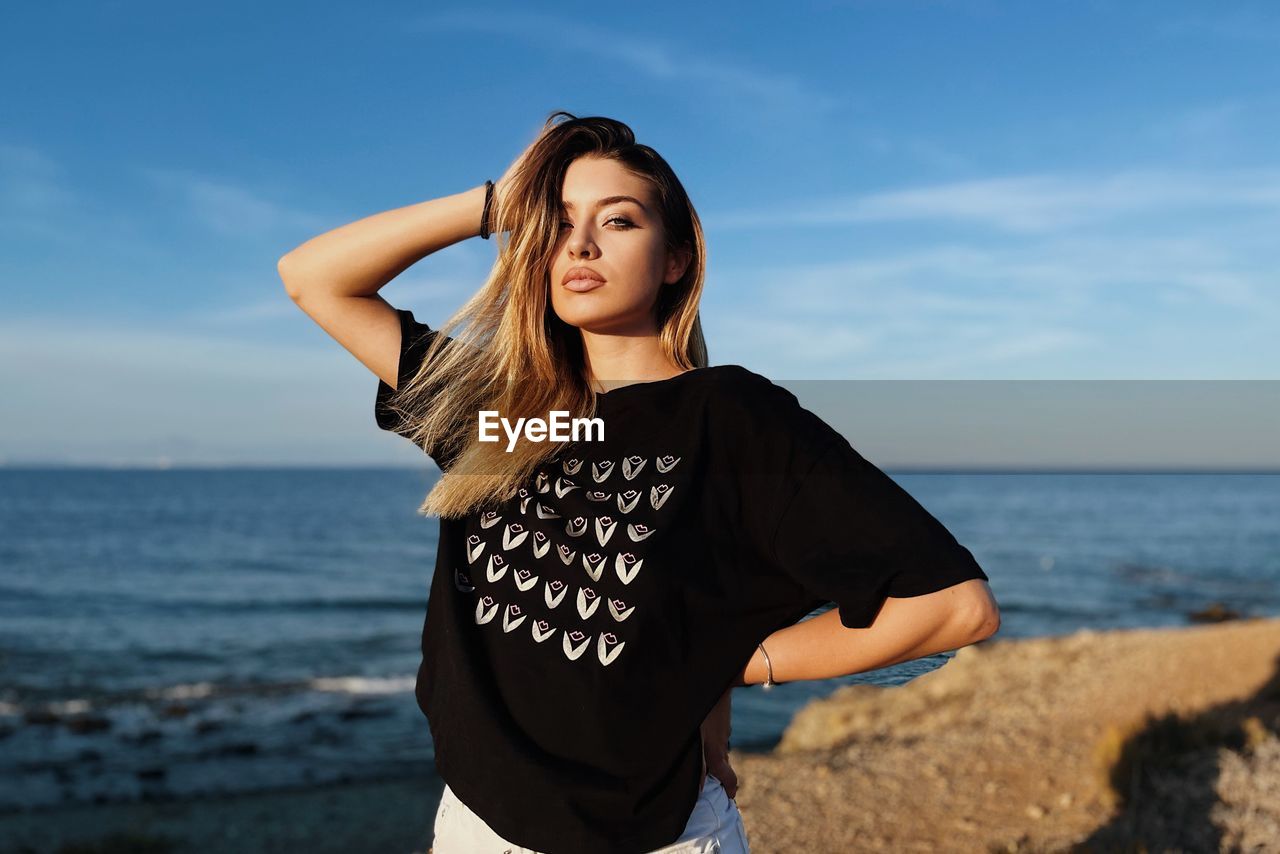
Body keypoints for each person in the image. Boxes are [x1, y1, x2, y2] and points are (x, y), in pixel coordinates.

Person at [278, 111, 1000, 854]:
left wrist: (733, 664)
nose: (580, 245)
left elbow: (953, 607)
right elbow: (314, 279)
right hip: (473, 827)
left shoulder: (728, 418)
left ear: (676, 258)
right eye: (557, 225)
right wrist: (497, 205)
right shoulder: (497, 410)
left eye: (618, 221)